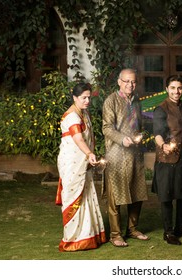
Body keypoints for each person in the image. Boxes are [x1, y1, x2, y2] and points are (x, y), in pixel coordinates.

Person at [56, 82, 106, 252]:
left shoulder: (83, 113)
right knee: (73, 197)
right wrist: (89, 154)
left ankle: (88, 235)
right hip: (72, 163)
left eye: (89, 98)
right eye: (83, 98)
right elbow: (78, 138)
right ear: (74, 98)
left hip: (82, 161)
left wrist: (89, 154)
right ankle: (73, 239)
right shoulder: (72, 116)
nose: (87, 101)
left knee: (86, 195)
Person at [102, 68, 149, 247]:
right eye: (127, 81)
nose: (130, 85)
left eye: (133, 82)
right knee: (116, 196)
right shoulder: (111, 101)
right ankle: (115, 234)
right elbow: (106, 128)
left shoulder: (137, 101)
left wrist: (140, 136)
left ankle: (133, 229)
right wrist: (123, 139)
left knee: (137, 193)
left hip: (135, 154)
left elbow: (140, 125)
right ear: (119, 82)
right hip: (116, 154)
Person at [152, 75, 182, 245]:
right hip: (166, 159)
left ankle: (180, 227)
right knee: (166, 196)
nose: (176, 91)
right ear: (167, 89)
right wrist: (162, 145)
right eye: (173, 88)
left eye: (179, 88)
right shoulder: (161, 109)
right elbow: (157, 132)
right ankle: (168, 232)